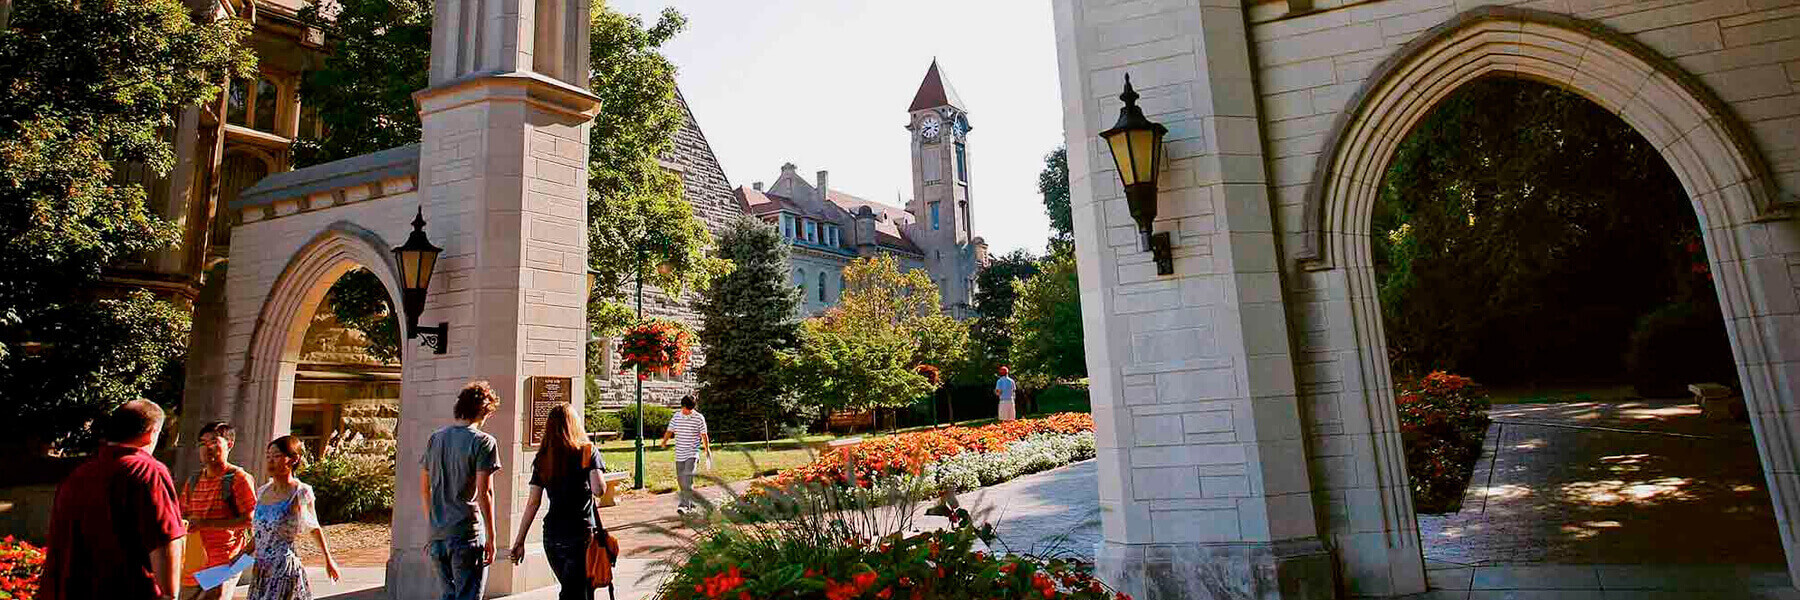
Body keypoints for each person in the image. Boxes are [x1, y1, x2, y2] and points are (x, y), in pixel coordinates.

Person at [41, 399, 187, 600]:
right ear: (151, 433)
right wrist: (170, 594)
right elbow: (164, 539)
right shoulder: (148, 471)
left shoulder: (77, 475)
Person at [509, 404, 607, 600]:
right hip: (580, 533)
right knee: (577, 592)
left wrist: (520, 541)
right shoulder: (587, 451)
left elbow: (533, 503)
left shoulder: (543, 458)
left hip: (552, 535)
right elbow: (599, 490)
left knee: (572, 589)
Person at [420, 381, 503, 600]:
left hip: (438, 533)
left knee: (449, 595)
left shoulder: (435, 439)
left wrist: (432, 524)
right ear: (483, 411)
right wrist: (492, 537)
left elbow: (425, 488)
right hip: (466, 533)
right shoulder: (484, 442)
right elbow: (485, 493)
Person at [240, 435, 341, 600]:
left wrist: (328, 560)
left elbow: (314, 527)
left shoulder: (301, 492)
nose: (271, 461)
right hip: (261, 571)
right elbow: (260, 535)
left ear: (293, 459)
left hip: (283, 569)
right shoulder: (262, 492)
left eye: (277, 456)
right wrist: (236, 560)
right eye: (268, 456)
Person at [178, 422, 258, 600]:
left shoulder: (239, 478)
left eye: (214, 442)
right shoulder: (193, 480)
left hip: (226, 561)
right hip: (192, 561)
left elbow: (251, 519)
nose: (207, 448)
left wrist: (206, 524)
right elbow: (181, 515)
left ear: (229, 444)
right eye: (202, 443)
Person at [659, 395, 710, 513]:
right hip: (679, 453)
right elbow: (669, 431)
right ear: (682, 406)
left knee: (687, 479)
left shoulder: (699, 418)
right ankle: (691, 503)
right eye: (687, 408)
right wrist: (664, 442)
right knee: (681, 481)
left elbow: (704, 434)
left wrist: (707, 449)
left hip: (692, 453)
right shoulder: (676, 416)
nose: (689, 411)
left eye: (691, 409)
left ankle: (684, 505)